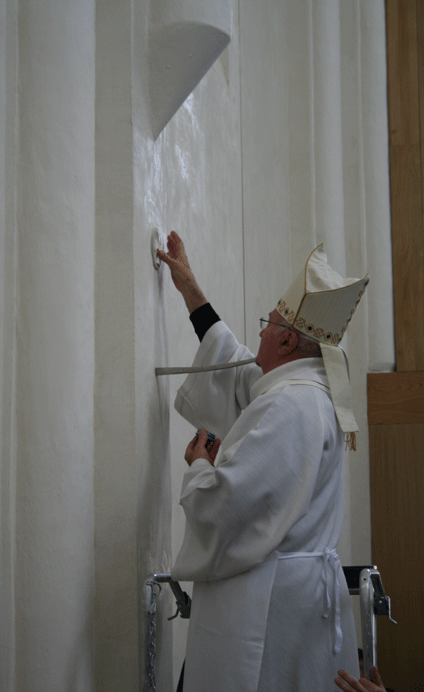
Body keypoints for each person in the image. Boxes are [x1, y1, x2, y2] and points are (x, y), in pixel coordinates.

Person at [158, 232, 369, 692]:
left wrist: (200, 467)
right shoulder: (312, 395)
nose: (258, 333)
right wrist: (191, 291)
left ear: (289, 343)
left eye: (267, 324)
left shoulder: (289, 406)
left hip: (268, 609)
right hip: (301, 599)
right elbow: (239, 372)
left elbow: (224, 509)